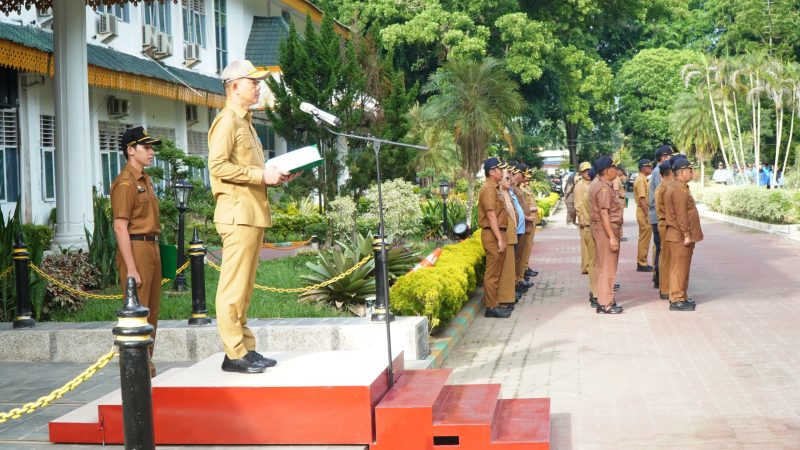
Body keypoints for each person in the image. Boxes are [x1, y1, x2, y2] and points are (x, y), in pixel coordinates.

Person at [208, 60, 301, 374]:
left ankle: (244, 349)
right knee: (233, 288)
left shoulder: (246, 122)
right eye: (254, 82)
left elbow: (252, 171)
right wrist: (261, 175)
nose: (259, 87)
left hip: (250, 213)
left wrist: (274, 175)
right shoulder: (226, 122)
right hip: (237, 214)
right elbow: (218, 167)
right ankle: (233, 352)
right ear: (235, 86)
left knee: (244, 288)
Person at [111, 126, 163, 378]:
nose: (152, 152)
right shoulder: (125, 183)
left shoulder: (145, 180)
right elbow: (120, 226)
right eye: (146, 147)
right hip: (136, 248)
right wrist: (131, 268)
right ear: (131, 150)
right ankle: (138, 371)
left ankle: (147, 368)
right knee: (139, 311)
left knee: (151, 311)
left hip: (151, 247)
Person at [663, 157, 703, 311]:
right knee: (679, 268)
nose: (692, 173)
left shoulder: (680, 187)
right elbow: (681, 215)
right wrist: (686, 235)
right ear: (683, 172)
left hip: (679, 234)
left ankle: (681, 296)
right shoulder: (679, 189)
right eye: (690, 170)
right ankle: (677, 299)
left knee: (681, 267)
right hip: (680, 235)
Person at [477, 158, 513, 319]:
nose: (502, 172)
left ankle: (495, 302)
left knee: (497, 270)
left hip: (498, 232)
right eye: (499, 169)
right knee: (492, 272)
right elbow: (491, 215)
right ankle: (491, 306)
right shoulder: (488, 189)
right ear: (492, 172)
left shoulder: (495, 188)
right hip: (492, 234)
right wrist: (499, 238)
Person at [590, 156, 624, 314]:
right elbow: (604, 214)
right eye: (613, 167)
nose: (616, 170)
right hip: (606, 230)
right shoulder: (603, 188)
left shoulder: (603, 186)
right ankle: (605, 303)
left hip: (604, 229)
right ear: (606, 171)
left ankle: (603, 299)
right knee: (608, 268)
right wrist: (612, 237)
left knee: (604, 266)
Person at [648, 144, 673, 289]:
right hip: (659, 216)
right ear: (664, 157)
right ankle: (660, 277)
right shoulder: (660, 172)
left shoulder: (658, 170)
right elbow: (663, 196)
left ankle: (659, 276)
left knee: (660, 248)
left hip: (658, 215)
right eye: (669, 156)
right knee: (661, 249)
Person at [510, 163, 535, 294]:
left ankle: (519, 278)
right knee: (516, 257)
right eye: (520, 174)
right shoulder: (511, 188)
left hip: (523, 226)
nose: (522, 177)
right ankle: (516, 280)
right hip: (518, 227)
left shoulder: (516, 187)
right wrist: (526, 217)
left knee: (521, 255)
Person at [498, 166, 520, 307]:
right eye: (506, 178)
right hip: (506, 234)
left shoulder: (506, 192)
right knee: (506, 270)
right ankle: (505, 298)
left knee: (510, 268)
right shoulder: (499, 193)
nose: (509, 180)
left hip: (512, 234)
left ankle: (508, 296)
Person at [654, 159, 674, 301]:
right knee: (668, 258)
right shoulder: (667, 187)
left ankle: (665, 287)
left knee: (664, 256)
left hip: (664, 223)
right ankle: (666, 288)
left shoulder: (661, 186)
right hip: (667, 224)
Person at [520, 167, 540, 279]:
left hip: (531, 218)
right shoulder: (521, 188)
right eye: (526, 176)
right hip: (527, 218)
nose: (528, 178)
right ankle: (524, 269)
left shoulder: (526, 187)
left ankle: (525, 267)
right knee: (526, 246)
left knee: (528, 246)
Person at [634, 159, 653, 272]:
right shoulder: (641, 180)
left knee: (644, 238)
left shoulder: (642, 179)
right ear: (644, 168)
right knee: (644, 240)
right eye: (649, 167)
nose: (650, 169)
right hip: (643, 211)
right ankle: (642, 263)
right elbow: (642, 199)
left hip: (642, 211)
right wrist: (648, 215)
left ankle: (642, 261)